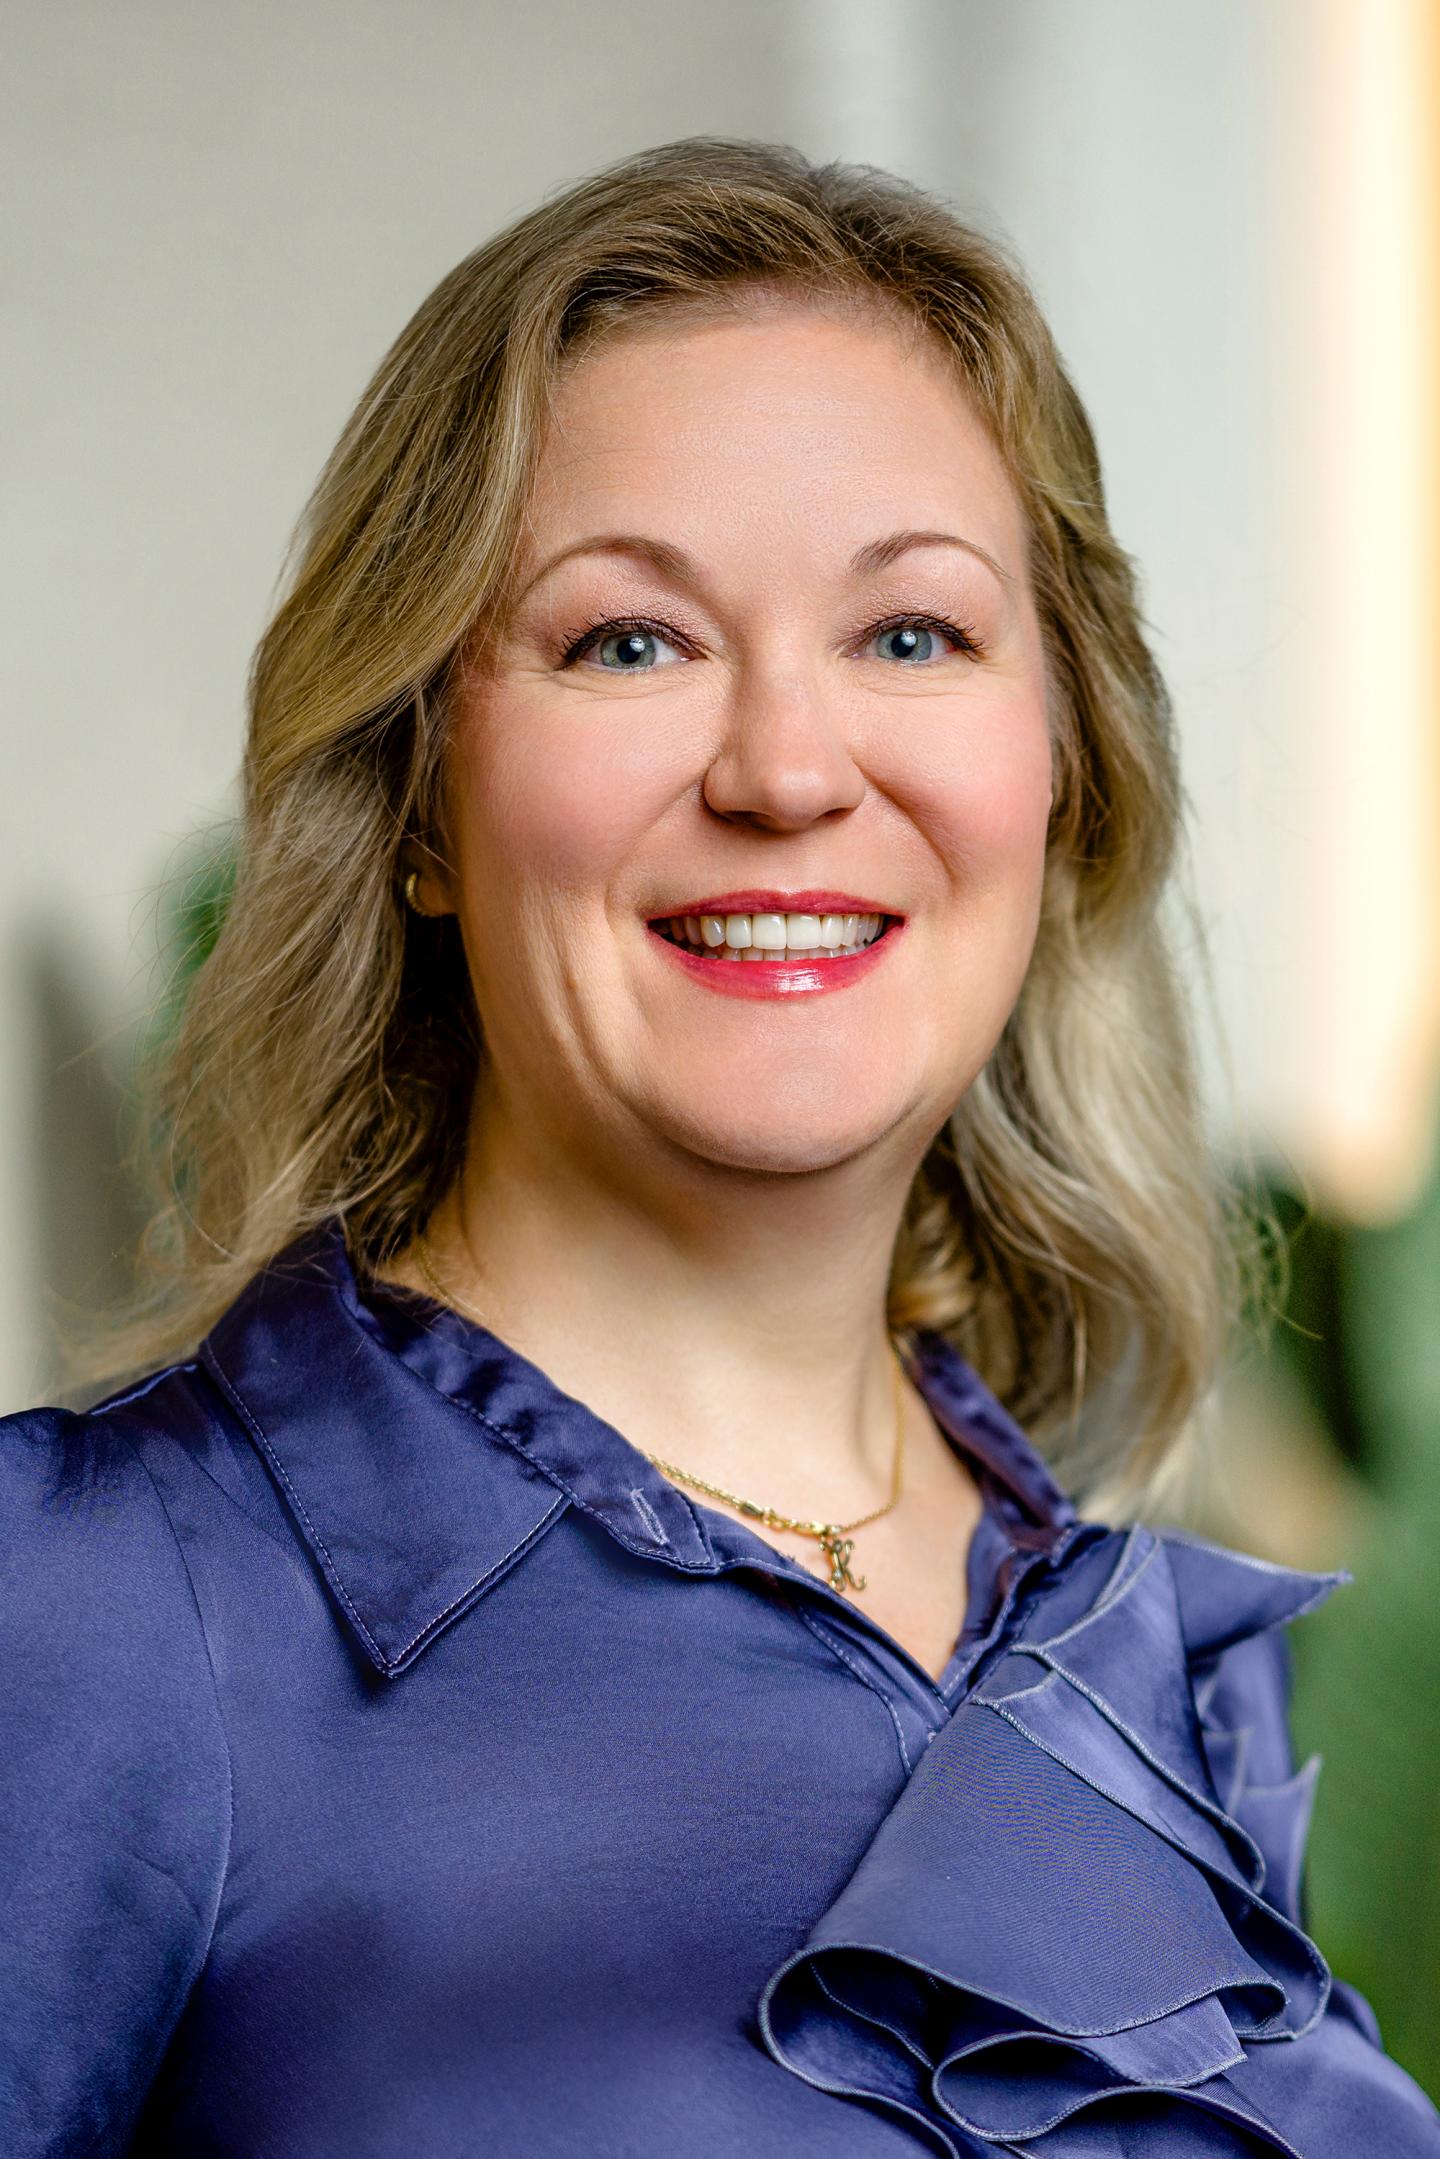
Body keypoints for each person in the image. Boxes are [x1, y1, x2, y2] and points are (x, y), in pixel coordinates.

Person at [2, 138, 1435, 2159]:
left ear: (1063, 770)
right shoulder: (99, 1606)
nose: (783, 769)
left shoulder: (1145, 1673)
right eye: (627, 642)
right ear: (417, 805)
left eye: (914, 635)